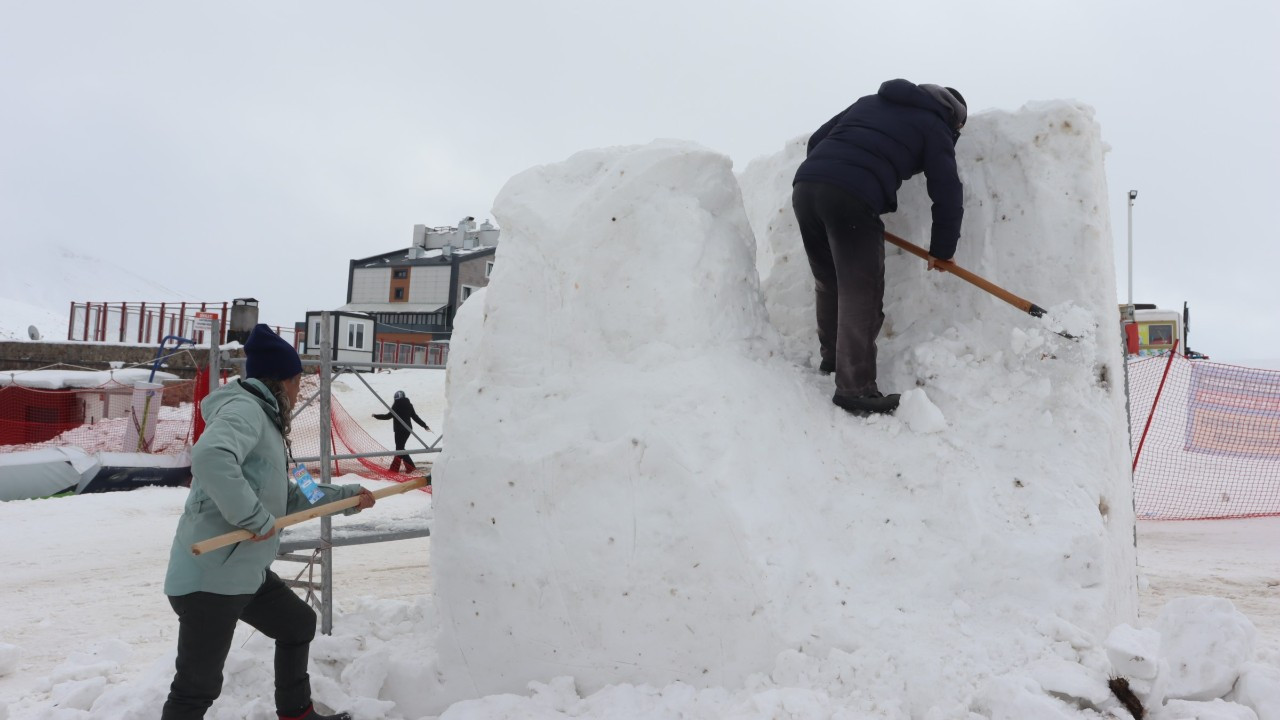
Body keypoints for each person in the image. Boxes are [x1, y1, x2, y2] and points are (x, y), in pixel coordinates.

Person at [162, 325, 375, 720]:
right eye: (298, 383)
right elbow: (210, 456)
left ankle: (297, 714)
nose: (299, 393)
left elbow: (293, 494)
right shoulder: (245, 411)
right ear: (282, 381)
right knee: (197, 688)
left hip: (242, 572)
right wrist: (254, 518)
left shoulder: (269, 422)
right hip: (210, 578)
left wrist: (348, 498)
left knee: (297, 624)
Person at [792, 78, 967, 416]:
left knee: (829, 281)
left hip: (807, 186)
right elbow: (946, 189)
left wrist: (831, 178)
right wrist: (942, 250)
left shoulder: (869, 102)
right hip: (853, 197)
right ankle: (855, 388)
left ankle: (833, 357)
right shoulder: (935, 125)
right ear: (952, 117)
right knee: (863, 294)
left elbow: (817, 139)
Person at [372, 390, 431, 473]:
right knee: (400, 448)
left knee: (400, 449)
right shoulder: (409, 405)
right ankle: (401, 468)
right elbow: (415, 417)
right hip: (407, 430)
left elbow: (388, 416)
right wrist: (424, 425)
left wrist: (376, 416)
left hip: (399, 430)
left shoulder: (396, 405)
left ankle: (402, 468)